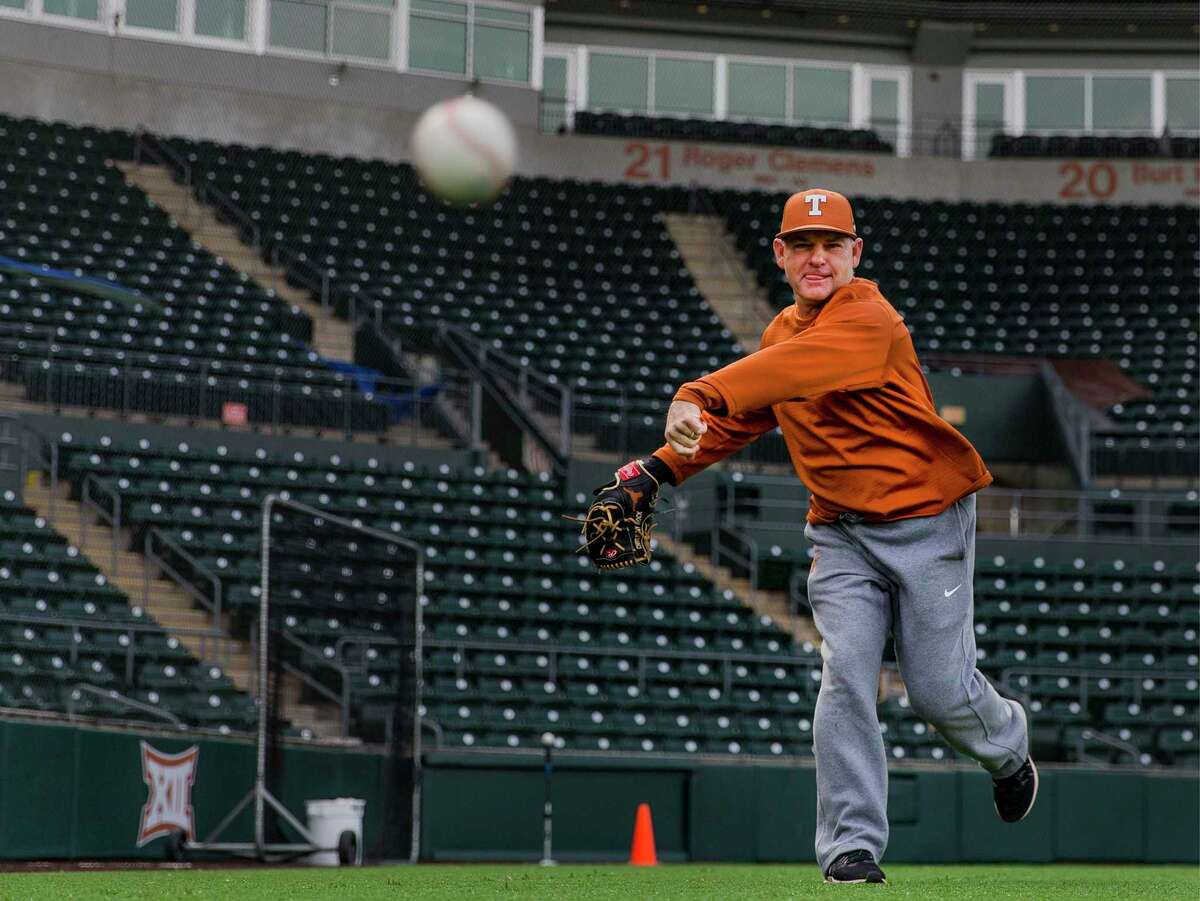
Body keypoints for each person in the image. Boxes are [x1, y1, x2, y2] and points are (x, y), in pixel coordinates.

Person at [635, 188, 1037, 885]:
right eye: (802, 244)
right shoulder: (779, 336)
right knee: (846, 676)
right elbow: (740, 420)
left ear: (855, 253)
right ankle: (850, 845)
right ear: (780, 256)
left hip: (927, 524)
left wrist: (697, 390)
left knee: (939, 694)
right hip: (842, 534)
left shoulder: (869, 318)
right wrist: (654, 469)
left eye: (831, 244)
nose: (816, 257)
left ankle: (1007, 748)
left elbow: (785, 374)